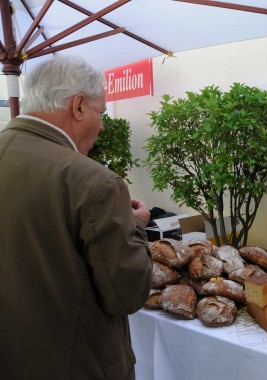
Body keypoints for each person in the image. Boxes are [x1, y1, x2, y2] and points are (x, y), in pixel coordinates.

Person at [0, 56, 153, 380]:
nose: (102, 125)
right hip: (78, 366)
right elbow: (126, 293)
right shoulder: (93, 182)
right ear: (79, 106)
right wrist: (135, 226)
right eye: (102, 112)